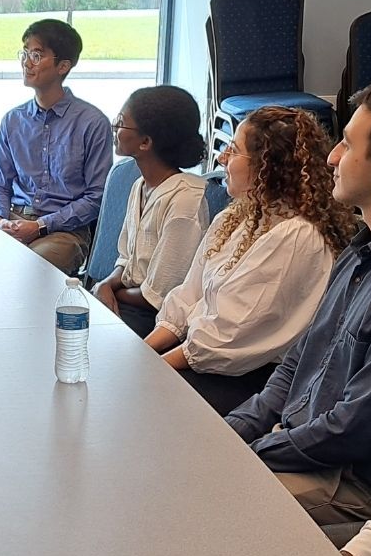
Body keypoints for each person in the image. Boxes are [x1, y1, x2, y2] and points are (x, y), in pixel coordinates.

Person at [226, 81, 371, 524]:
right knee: (189, 460)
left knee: (204, 496)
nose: (331, 157)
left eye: (347, 145)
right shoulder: (361, 247)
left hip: (353, 482)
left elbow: (354, 430)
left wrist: (251, 451)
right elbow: (297, 363)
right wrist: (232, 431)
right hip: (303, 450)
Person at [146, 107, 357, 414]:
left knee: (137, 405)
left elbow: (227, 335)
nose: (222, 159)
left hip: (246, 379)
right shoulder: (239, 215)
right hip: (202, 358)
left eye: (233, 150)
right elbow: (189, 296)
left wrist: (153, 369)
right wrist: (144, 351)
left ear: (267, 166)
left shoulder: (297, 236)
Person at [0, 19, 112, 273]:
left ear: (63, 66)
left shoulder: (92, 122)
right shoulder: (13, 120)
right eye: (25, 53)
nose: (26, 62)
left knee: (29, 268)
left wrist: (41, 225)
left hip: (63, 231)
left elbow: (97, 197)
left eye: (36, 55)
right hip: (14, 220)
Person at [90, 86, 209, 336]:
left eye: (121, 123)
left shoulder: (185, 199)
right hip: (129, 301)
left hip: (156, 320)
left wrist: (111, 291)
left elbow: (159, 296)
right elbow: (127, 259)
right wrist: (106, 283)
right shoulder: (140, 185)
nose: (115, 127)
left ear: (145, 142)